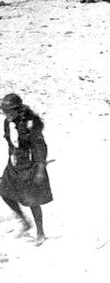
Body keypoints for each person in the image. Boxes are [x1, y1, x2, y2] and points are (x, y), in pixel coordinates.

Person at [0, 94, 52, 246]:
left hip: (30, 164)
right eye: (4, 111)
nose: (6, 114)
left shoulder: (30, 123)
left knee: (32, 199)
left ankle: (40, 232)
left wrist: (40, 168)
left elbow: (39, 145)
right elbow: (11, 142)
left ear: (18, 110)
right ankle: (24, 221)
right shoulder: (7, 122)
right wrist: (12, 160)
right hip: (15, 163)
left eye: (9, 111)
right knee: (4, 191)